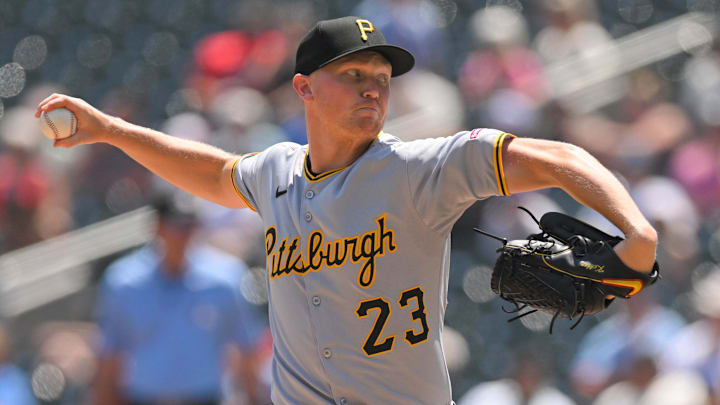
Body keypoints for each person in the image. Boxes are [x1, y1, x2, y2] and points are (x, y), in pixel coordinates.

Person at [36, 16, 658, 405]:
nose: (372, 88)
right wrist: (113, 129)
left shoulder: (421, 169)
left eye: (382, 78)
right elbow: (216, 172)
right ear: (303, 87)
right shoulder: (276, 171)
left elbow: (553, 155)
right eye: (354, 73)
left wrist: (637, 231)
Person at [93, 193, 265, 405]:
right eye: (176, 226)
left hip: (204, 399)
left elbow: (246, 350)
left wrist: (253, 398)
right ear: (157, 227)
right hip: (143, 399)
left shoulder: (225, 279)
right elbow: (110, 356)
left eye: (189, 226)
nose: (183, 235)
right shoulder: (124, 282)